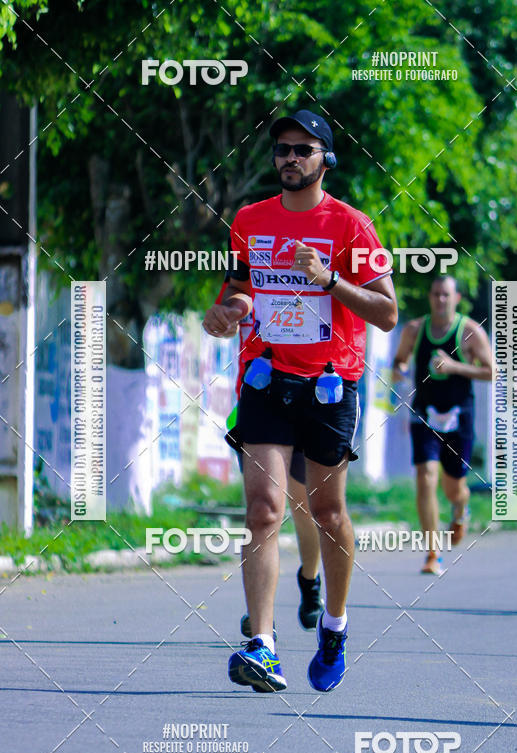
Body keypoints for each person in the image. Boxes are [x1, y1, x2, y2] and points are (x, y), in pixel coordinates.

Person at [203, 109, 397, 692]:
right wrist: (227, 313)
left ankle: (334, 626)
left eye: (302, 149)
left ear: (325, 159)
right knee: (263, 510)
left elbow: (387, 313)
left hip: (329, 386)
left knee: (327, 513)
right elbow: (242, 290)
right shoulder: (249, 220)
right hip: (264, 381)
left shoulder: (351, 226)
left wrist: (329, 279)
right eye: (282, 148)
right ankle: (262, 646)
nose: (289, 157)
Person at [206, 278, 324, 635]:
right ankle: (261, 618)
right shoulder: (251, 263)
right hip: (259, 399)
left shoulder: (319, 261)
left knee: (303, 506)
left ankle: (310, 579)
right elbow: (234, 308)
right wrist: (224, 319)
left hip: (312, 396)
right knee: (262, 511)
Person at [391, 275, 493, 575]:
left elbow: (492, 372)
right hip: (424, 413)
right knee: (425, 478)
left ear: (457, 298)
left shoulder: (470, 331)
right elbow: (399, 360)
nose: (440, 300)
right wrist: (400, 370)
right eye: (436, 294)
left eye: (446, 295)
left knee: (454, 489)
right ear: (430, 297)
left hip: (459, 417)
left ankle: (461, 509)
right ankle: (432, 553)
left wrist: (454, 367)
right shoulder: (414, 330)